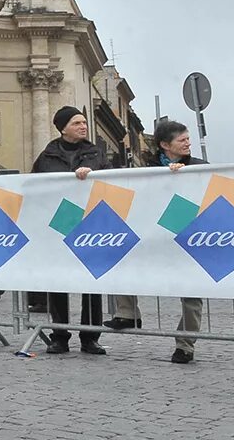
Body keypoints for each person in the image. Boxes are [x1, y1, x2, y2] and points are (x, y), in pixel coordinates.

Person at [106, 120, 206, 363]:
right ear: (164, 145)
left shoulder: (201, 167)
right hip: (154, 234)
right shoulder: (147, 170)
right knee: (123, 258)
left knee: (191, 294)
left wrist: (182, 178)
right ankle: (128, 313)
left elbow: (207, 198)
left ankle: (185, 345)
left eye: (188, 138)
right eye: (182, 140)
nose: (188, 143)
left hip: (187, 237)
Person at [33, 106, 110, 356]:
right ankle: (60, 336)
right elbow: (36, 185)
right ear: (63, 128)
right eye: (77, 123)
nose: (83, 126)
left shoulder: (95, 152)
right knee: (58, 281)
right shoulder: (47, 156)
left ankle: (90, 337)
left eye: (84, 122)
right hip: (59, 224)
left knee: (91, 282)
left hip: (90, 223)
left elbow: (108, 178)